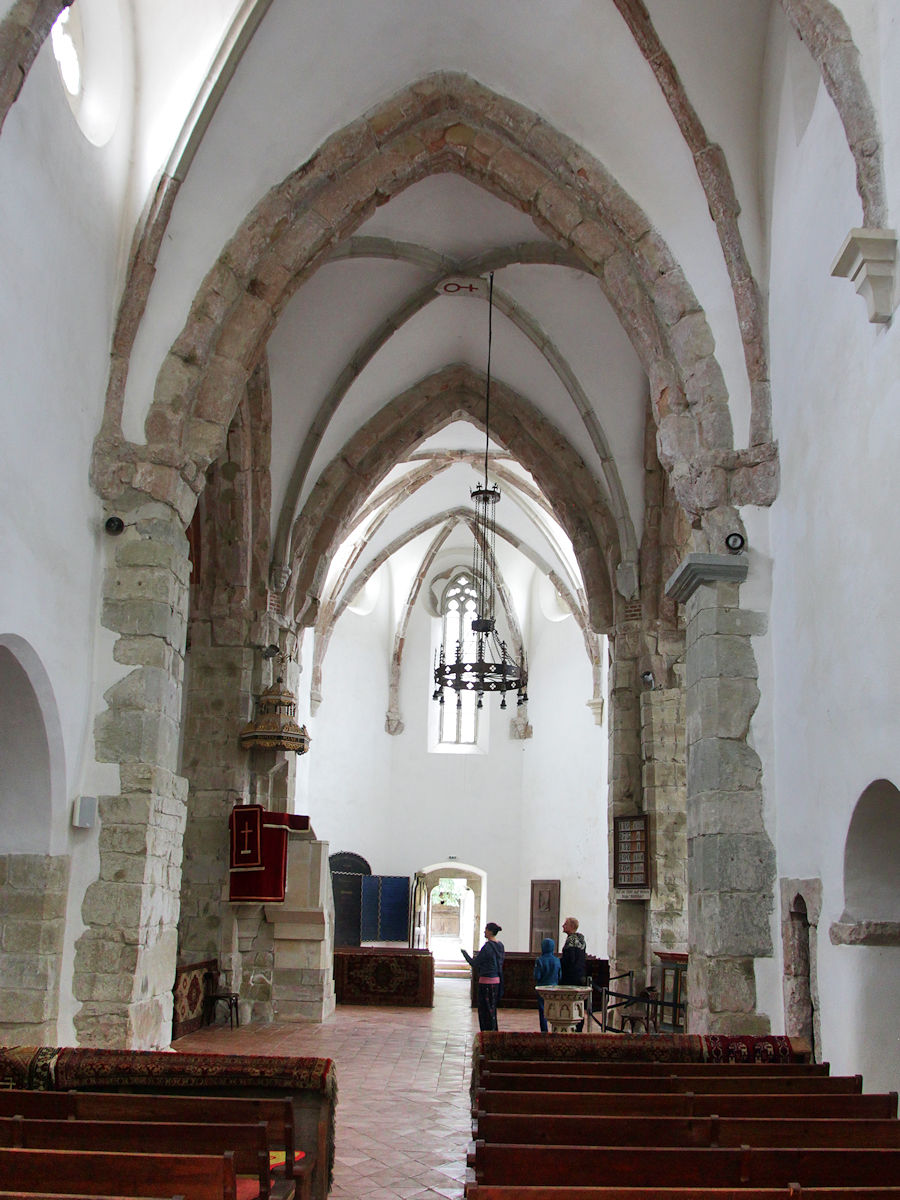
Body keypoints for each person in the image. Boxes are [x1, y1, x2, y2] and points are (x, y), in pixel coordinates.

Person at [462, 922, 505, 1032]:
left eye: (486, 929)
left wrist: (464, 954)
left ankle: (486, 1033)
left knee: (484, 1011)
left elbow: (475, 963)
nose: (484, 932)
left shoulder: (487, 947)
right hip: (496, 981)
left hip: (485, 982)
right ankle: (494, 1032)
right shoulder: (500, 946)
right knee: (492, 1010)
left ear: (490, 931)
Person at [560, 916, 587, 1031]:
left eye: (565, 924)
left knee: (570, 1002)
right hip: (580, 975)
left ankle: (571, 1026)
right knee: (579, 1003)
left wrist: (560, 964)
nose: (563, 926)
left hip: (571, 977)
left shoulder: (571, 940)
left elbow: (570, 960)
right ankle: (579, 1025)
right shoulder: (581, 940)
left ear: (571, 926)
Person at [533, 936, 561, 1032]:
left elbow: (537, 976)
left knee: (542, 1010)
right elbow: (559, 975)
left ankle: (544, 1030)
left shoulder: (540, 960)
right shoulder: (557, 960)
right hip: (554, 987)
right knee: (555, 1008)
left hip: (542, 988)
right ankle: (555, 1028)